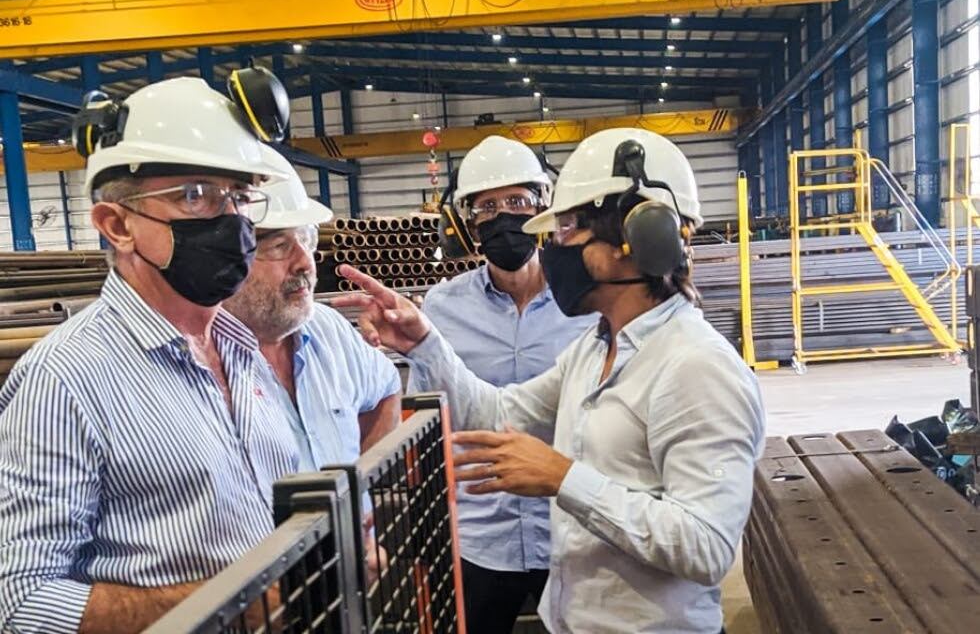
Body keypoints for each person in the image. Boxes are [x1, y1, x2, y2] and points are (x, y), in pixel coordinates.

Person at [335, 127, 765, 634]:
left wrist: (564, 478)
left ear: (636, 237)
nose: (553, 248)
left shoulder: (696, 367)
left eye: (567, 230)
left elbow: (707, 547)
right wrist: (424, 341)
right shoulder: (596, 346)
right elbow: (499, 415)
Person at [0, 73, 301, 633]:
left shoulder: (241, 349)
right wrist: (236, 600)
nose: (231, 220)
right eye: (194, 195)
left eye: (239, 195)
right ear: (117, 225)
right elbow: (21, 601)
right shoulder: (65, 382)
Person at [411, 136, 594, 634]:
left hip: (571, 525)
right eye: (488, 206)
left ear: (543, 206)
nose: (504, 217)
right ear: (468, 222)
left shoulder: (584, 302)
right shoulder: (442, 308)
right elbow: (430, 414)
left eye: (517, 202)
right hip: (480, 533)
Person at [223, 146, 401, 468]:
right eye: (280, 246)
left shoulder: (328, 330)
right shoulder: (205, 362)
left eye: (307, 240)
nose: (305, 262)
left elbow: (388, 390)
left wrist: (359, 491)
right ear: (227, 257)